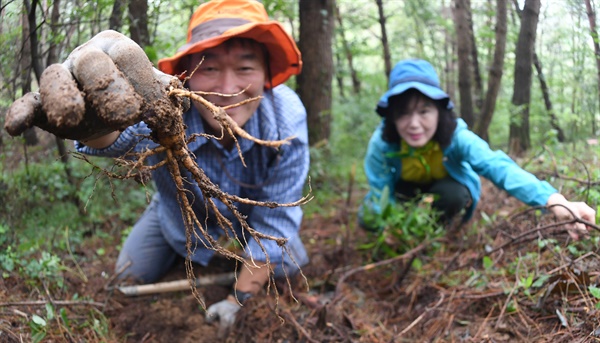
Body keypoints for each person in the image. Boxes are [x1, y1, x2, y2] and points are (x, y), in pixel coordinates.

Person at [4, 0, 309, 331]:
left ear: (267, 76)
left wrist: (239, 300)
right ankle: (184, 248)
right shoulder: (169, 105)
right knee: (129, 274)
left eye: (245, 68)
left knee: (289, 264)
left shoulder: (287, 120)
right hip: (178, 212)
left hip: (252, 217)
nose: (226, 88)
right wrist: (96, 127)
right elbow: (120, 139)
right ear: (188, 75)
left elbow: (276, 219)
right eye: (209, 68)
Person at [360, 58, 596, 239]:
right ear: (392, 116)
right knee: (367, 216)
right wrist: (391, 228)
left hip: (446, 187)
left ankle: (441, 234)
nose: (414, 124)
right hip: (405, 189)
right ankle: (409, 237)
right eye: (403, 113)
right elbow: (381, 192)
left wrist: (553, 200)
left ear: (439, 111)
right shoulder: (381, 144)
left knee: (453, 195)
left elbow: (498, 167)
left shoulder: (457, 137)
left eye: (424, 111)